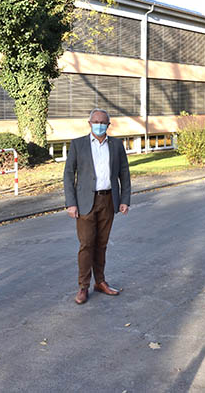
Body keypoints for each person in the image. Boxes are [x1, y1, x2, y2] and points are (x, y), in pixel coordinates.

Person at [64, 108, 131, 305]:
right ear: (90, 123)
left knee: (102, 244)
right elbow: (69, 175)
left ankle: (100, 282)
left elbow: (124, 174)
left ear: (108, 125)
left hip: (108, 200)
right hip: (85, 202)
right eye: (96, 121)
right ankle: (83, 286)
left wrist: (125, 199)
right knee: (86, 244)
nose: (99, 125)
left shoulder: (117, 145)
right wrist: (71, 203)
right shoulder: (78, 145)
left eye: (103, 122)